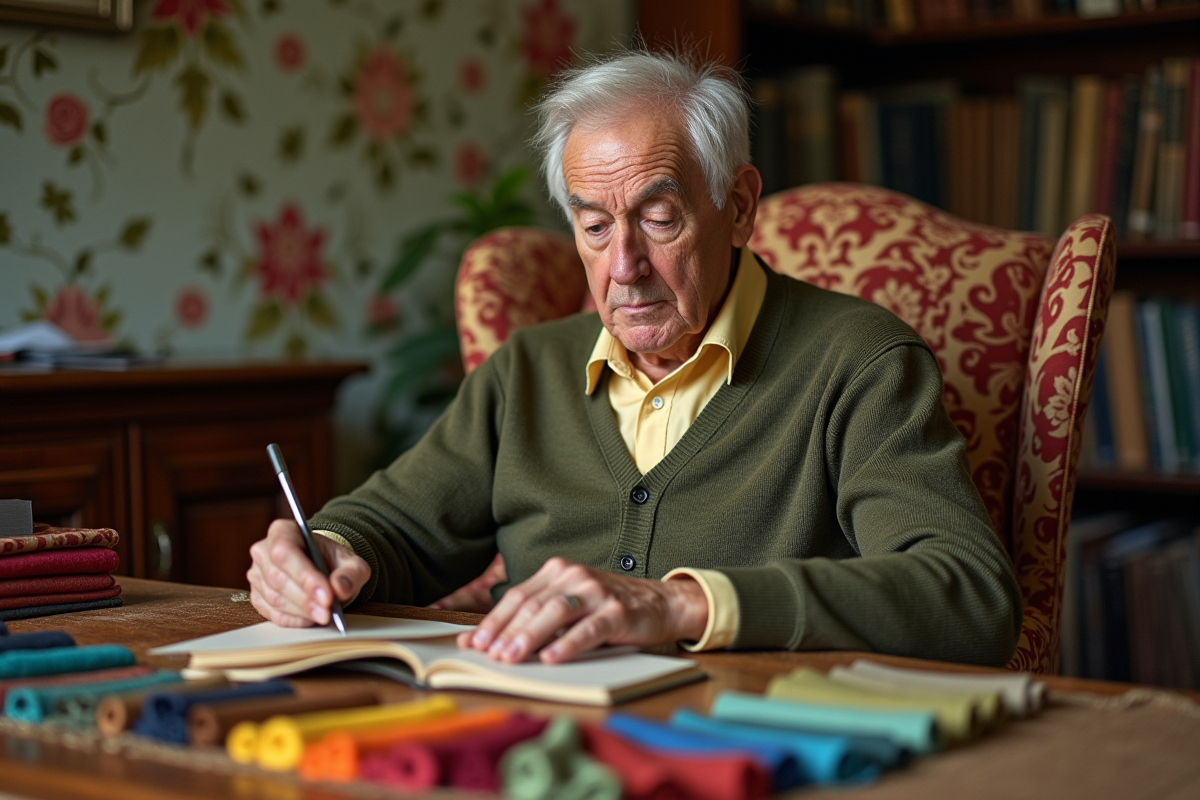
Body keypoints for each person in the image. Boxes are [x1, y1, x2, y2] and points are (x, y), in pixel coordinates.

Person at [247, 50, 1022, 669]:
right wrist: (325, 553)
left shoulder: (859, 363)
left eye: (659, 218)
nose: (623, 265)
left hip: (753, 749)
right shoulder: (528, 373)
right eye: (592, 226)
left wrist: (680, 605)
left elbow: (965, 596)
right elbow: (393, 526)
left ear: (741, 206)